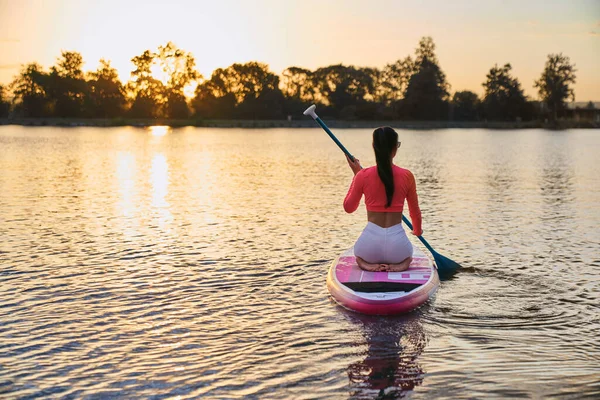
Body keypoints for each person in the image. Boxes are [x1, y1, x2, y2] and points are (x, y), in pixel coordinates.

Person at [344, 126, 422, 272]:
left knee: (358, 255)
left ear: (374, 147)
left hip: (369, 246)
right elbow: (414, 211)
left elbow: (349, 208)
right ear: (395, 148)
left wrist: (356, 176)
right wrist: (417, 231)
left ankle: (364, 263)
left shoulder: (363, 175)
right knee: (408, 255)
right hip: (397, 247)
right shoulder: (407, 176)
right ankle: (403, 264)